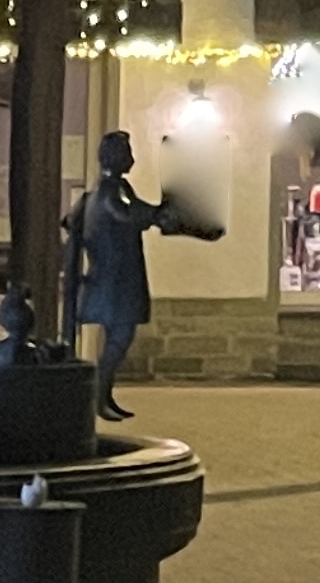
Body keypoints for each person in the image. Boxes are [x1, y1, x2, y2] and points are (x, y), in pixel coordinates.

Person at [59, 129, 210, 417]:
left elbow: (133, 210)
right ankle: (98, 397)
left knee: (116, 341)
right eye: (127, 153)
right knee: (119, 340)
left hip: (111, 279)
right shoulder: (110, 192)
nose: (132, 159)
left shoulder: (112, 189)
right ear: (115, 157)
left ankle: (103, 396)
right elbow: (126, 214)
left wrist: (157, 214)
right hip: (115, 282)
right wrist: (158, 215)